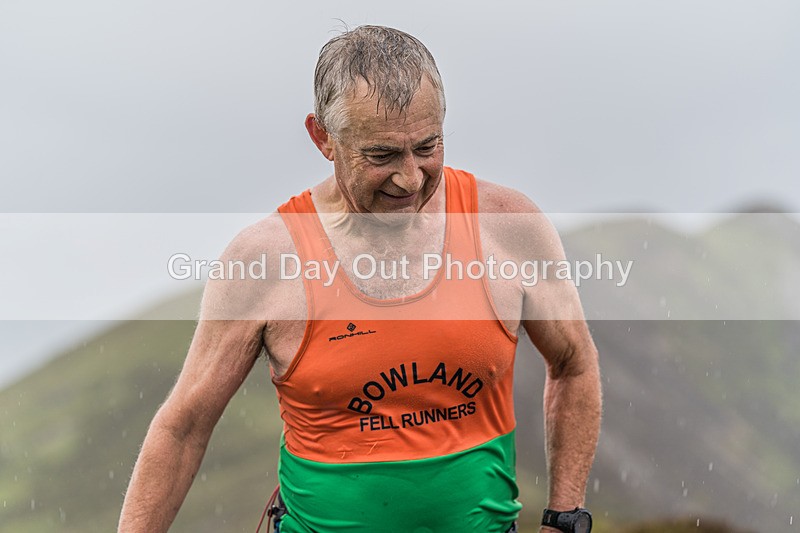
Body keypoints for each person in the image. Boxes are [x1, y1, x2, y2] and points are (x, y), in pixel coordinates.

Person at [118, 25, 601, 533]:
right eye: (382, 156)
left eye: (427, 146)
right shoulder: (266, 259)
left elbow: (574, 364)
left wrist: (565, 518)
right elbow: (183, 427)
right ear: (322, 137)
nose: (411, 178)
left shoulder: (506, 225)